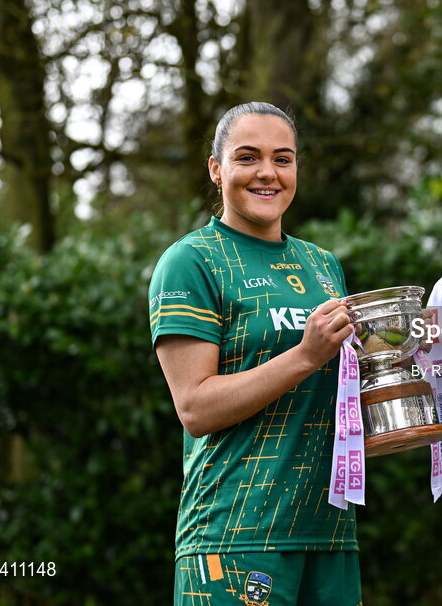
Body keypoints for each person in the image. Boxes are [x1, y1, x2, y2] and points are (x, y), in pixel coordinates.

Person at [148, 102, 362, 606]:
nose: (267, 172)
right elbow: (195, 408)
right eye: (248, 157)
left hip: (329, 531)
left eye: (282, 159)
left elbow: (342, 389)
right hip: (234, 534)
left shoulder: (322, 264)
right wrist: (305, 356)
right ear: (216, 168)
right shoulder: (192, 261)